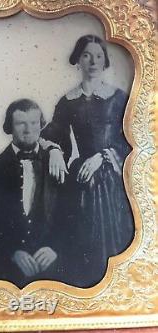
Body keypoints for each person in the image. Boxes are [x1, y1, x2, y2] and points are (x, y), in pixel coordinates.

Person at [43, 35, 134, 287]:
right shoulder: (67, 101)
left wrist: (102, 156)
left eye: (98, 55)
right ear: (78, 61)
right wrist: (54, 151)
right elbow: (53, 134)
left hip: (111, 179)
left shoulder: (118, 98)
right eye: (86, 55)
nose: (92, 60)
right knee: (80, 240)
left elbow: (130, 140)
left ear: (105, 61)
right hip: (80, 178)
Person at [0, 99, 62, 288]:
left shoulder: (56, 160)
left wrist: (56, 248)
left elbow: (70, 212)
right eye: (21, 124)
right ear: (10, 127)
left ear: (41, 125)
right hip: (10, 264)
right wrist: (12, 251)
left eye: (34, 123)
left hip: (53, 261)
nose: (28, 130)